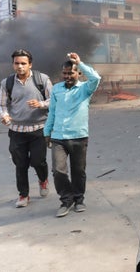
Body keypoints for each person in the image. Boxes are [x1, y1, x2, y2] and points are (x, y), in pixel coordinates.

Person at [43, 52, 101, 217]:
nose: (67, 76)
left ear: (78, 73)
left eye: (71, 73)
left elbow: (96, 78)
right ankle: (66, 200)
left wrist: (80, 62)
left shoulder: (85, 89)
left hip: (79, 137)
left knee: (78, 171)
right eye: (65, 73)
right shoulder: (56, 89)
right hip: (58, 138)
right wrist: (47, 132)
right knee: (58, 171)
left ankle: (79, 199)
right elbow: (52, 112)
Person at [0, 48, 53, 208]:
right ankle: (23, 194)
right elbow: (1, 105)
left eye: (23, 63)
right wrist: (4, 116)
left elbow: (54, 100)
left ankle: (43, 180)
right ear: (13, 64)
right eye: (16, 63)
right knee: (20, 164)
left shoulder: (42, 79)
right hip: (17, 131)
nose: (20, 66)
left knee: (38, 161)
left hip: (38, 129)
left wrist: (41, 104)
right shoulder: (6, 83)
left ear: (30, 64)